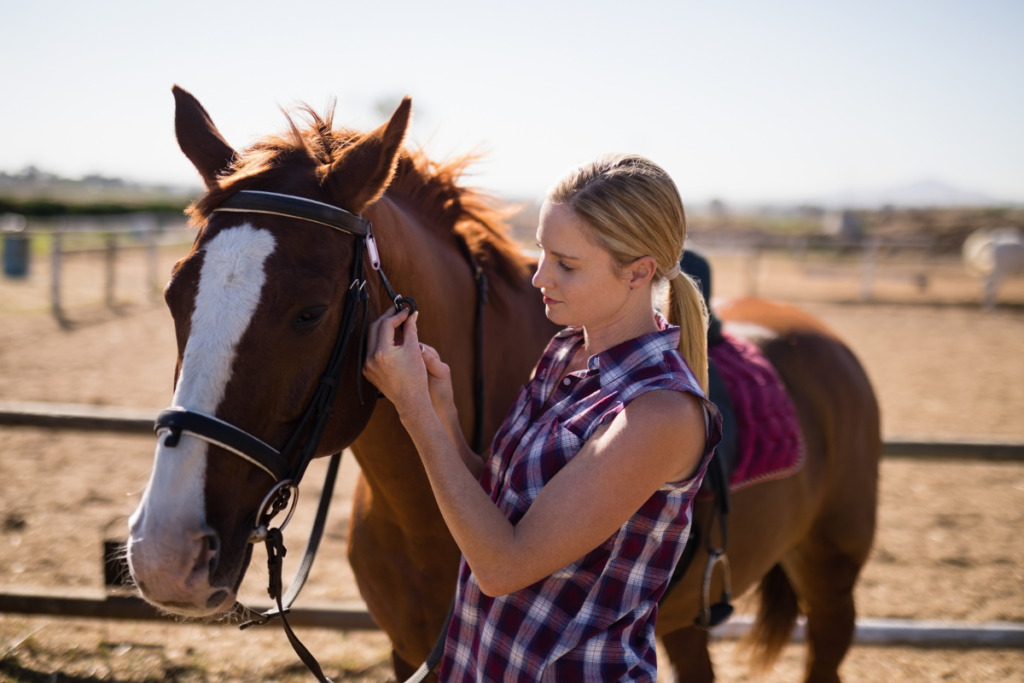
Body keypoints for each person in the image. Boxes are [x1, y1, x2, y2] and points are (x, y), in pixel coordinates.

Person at [364, 154, 722, 681]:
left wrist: (413, 408)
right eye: (542, 252)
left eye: (566, 265)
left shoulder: (660, 412)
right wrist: (444, 414)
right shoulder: (564, 351)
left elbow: (502, 566)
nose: (539, 278)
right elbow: (499, 504)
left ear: (639, 272)